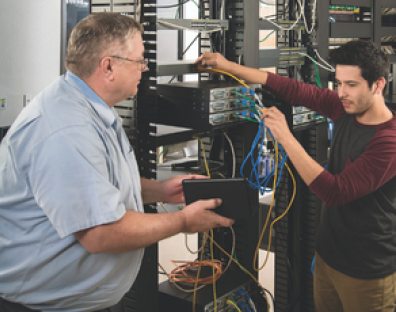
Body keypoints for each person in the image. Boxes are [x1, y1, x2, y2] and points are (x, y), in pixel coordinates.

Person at [0, 12, 233, 312]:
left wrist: (160, 191)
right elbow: (101, 233)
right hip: (42, 306)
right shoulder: (67, 128)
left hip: (84, 301)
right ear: (108, 66)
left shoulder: (92, 109)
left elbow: (99, 186)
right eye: (139, 61)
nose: (144, 69)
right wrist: (182, 221)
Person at [196, 40, 396, 312]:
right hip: (328, 257)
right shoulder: (344, 108)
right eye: (338, 82)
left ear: (379, 85)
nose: (341, 93)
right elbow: (292, 89)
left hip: (367, 270)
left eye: (352, 85)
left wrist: (285, 136)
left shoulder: (393, 142)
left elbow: (335, 192)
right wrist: (228, 66)